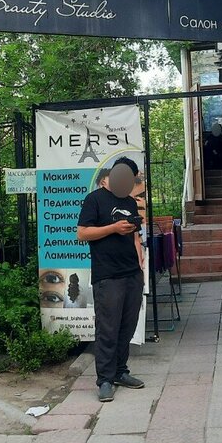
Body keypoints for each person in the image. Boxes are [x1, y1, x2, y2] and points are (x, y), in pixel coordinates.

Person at [77, 156, 146, 402]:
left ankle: (120, 371)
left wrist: (139, 260)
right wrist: (113, 228)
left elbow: (135, 236)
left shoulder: (129, 201)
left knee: (127, 326)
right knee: (108, 328)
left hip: (132, 273)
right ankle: (105, 379)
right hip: (107, 275)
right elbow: (82, 233)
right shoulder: (94, 199)